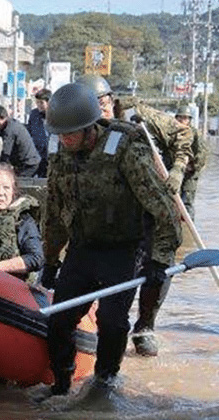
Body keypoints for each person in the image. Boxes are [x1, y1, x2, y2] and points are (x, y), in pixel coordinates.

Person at [40, 83, 181, 396]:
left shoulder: (125, 146)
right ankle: (61, 385)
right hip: (83, 247)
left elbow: (163, 209)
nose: (65, 140)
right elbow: (53, 210)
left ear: (89, 127)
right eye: (61, 134)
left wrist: (160, 258)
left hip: (124, 249)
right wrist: (50, 260)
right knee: (60, 318)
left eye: (71, 134)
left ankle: (104, 382)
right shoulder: (61, 152)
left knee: (112, 321)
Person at [113, 97, 193, 357]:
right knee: (120, 270)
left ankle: (145, 326)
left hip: (155, 205)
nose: (101, 109)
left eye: (104, 103)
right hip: (119, 210)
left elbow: (183, 133)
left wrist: (178, 169)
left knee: (158, 266)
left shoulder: (138, 113)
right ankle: (113, 326)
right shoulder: (88, 126)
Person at [0, 163, 44, 282]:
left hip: (13, 287)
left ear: (13, 192)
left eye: (6, 187)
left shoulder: (22, 220)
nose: (0, 193)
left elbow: (35, 258)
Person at [174, 105, 208, 220]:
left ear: (189, 120)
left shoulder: (194, 133)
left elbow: (202, 153)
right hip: (178, 169)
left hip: (191, 172)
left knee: (187, 201)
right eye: (180, 118)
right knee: (174, 199)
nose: (182, 121)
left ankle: (189, 228)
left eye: (185, 118)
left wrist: (193, 166)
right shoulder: (173, 132)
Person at [0, 105, 41, 177]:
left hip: (28, 164)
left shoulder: (10, 130)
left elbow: (5, 154)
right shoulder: (8, 124)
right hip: (25, 163)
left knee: (17, 184)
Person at [26, 88, 51, 177]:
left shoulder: (55, 114)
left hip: (50, 154)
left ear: (48, 102)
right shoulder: (34, 114)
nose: (39, 105)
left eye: (41, 103)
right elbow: (29, 132)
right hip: (38, 153)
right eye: (37, 103)